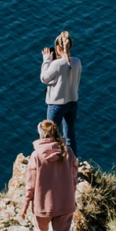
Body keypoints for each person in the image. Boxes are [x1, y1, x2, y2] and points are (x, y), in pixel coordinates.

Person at [21, 119, 79, 231]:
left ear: (41, 135)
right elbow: (75, 175)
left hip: (43, 204)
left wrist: (25, 205)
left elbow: (30, 184)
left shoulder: (36, 155)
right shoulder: (67, 151)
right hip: (65, 203)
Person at [39, 29, 82, 157]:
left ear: (58, 47)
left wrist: (46, 60)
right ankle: (72, 164)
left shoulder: (57, 64)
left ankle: (52, 164)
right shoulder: (77, 61)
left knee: (50, 135)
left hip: (56, 105)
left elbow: (44, 78)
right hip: (72, 103)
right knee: (69, 134)